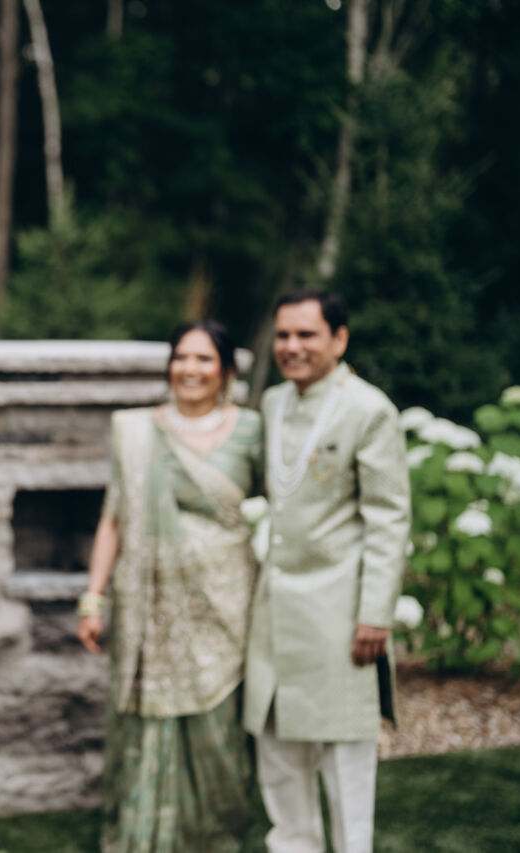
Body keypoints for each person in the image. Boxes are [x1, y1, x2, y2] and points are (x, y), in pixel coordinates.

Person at [76, 321, 262, 852]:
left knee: (218, 716)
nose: (190, 369)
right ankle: (145, 835)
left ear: (225, 370)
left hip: (225, 600)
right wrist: (93, 597)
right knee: (147, 716)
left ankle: (215, 833)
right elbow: (114, 516)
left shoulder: (252, 430)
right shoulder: (136, 431)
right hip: (148, 601)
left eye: (204, 359)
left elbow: (279, 507)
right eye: (181, 357)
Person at [244, 289, 409, 853]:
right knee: (279, 758)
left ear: (339, 339)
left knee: (344, 761)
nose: (292, 346)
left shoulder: (369, 409)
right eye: (283, 335)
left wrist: (375, 614)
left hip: (339, 613)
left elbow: (389, 519)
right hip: (274, 610)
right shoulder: (273, 403)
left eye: (306, 334)